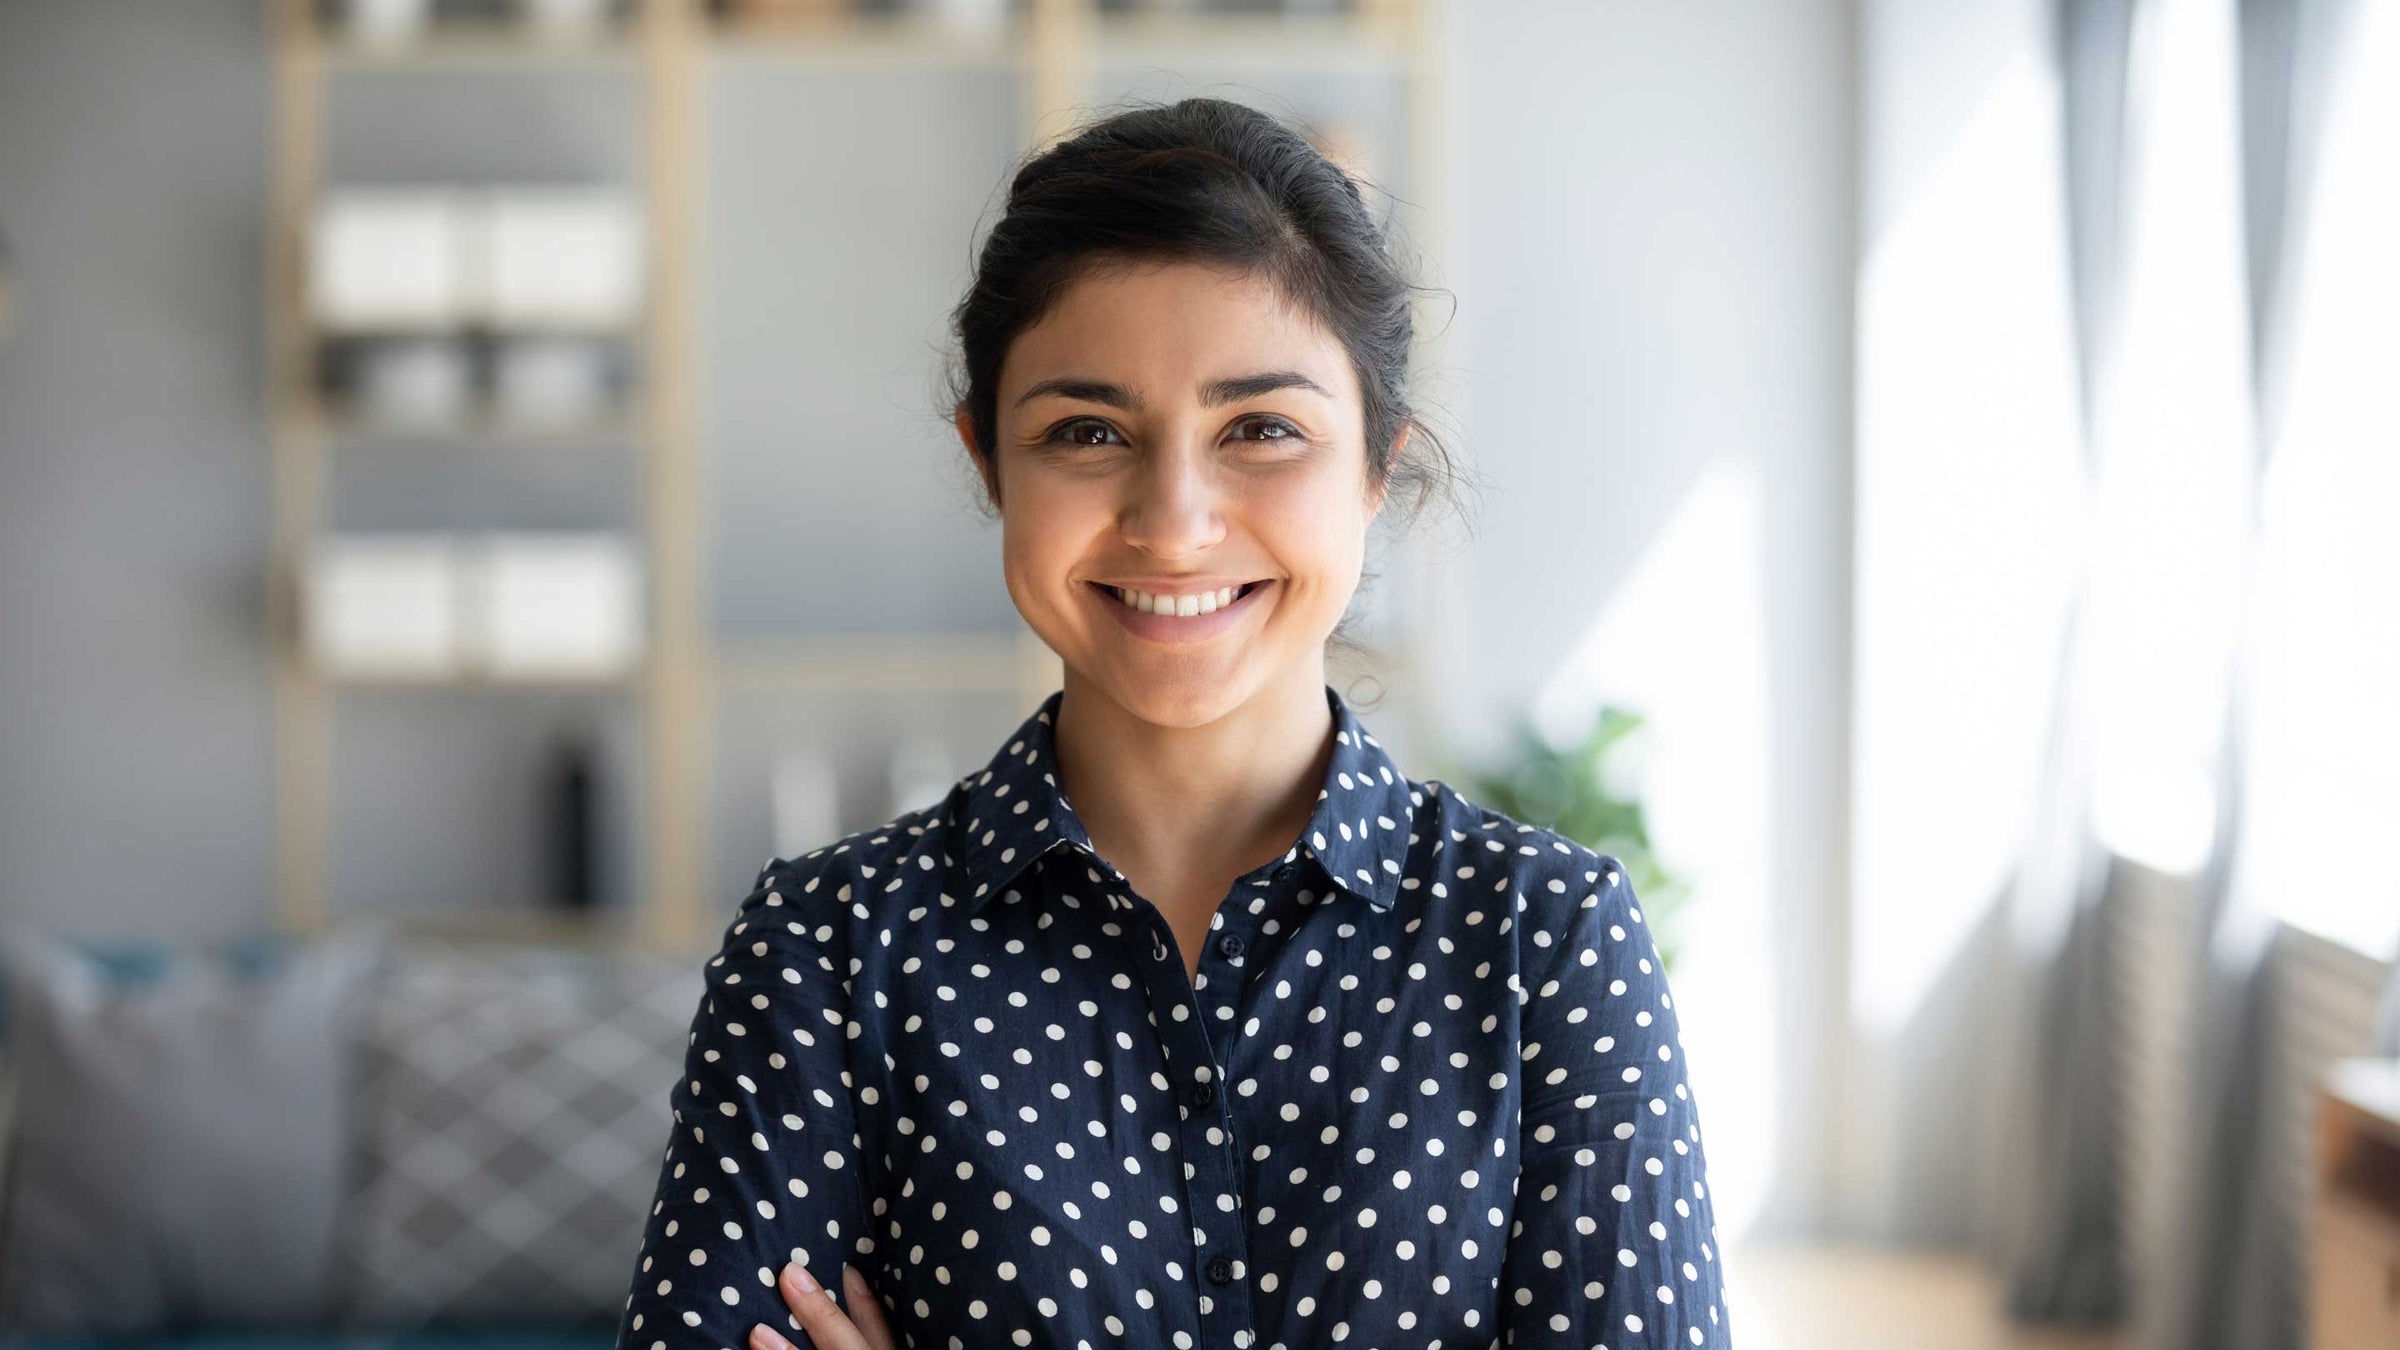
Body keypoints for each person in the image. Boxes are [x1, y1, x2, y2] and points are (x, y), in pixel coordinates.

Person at [613, 96, 1731, 1350]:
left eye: (1262, 429)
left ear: (1376, 466)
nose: (1175, 519)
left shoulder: (1545, 944)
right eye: (1087, 431)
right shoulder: (825, 952)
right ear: (990, 459)